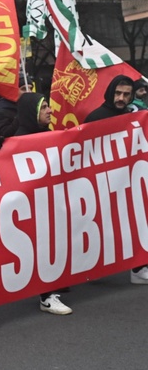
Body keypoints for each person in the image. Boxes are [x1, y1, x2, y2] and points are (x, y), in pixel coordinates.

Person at [10, 93, 73, 314]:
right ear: (31, 112)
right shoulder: (19, 141)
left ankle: (52, 285)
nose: (50, 110)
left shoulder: (49, 135)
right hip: (32, 207)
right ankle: (47, 297)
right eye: (44, 107)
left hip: (51, 201)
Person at [83, 75, 148, 284]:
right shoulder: (95, 118)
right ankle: (87, 267)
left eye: (126, 94)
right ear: (111, 93)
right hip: (101, 184)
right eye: (118, 93)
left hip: (128, 181)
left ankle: (138, 268)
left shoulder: (135, 116)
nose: (121, 98)